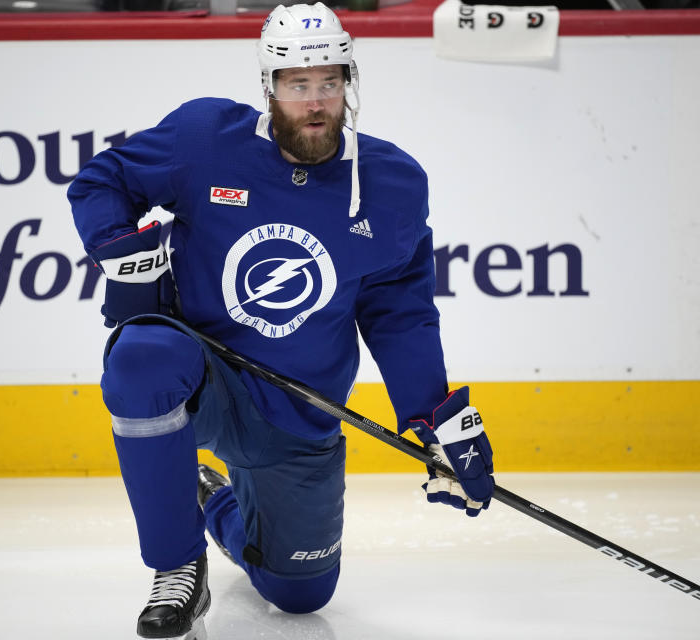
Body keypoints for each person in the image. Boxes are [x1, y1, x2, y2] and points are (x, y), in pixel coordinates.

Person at [67, 3, 495, 638]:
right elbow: (103, 179)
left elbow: (400, 314)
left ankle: (209, 499)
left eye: (329, 83)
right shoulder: (204, 139)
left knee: (299, 594)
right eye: (298, 85)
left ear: (348, 84)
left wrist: (435, 418)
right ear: (268, 87)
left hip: (300, 415)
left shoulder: (391, 182)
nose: (316, 102)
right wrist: (120, 246)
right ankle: (177, 566)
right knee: (141, 360)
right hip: (206, 377)